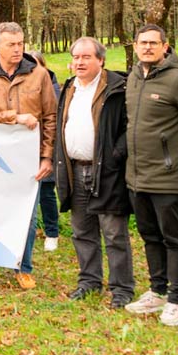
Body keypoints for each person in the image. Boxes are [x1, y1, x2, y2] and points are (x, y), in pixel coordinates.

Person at [122, 24, 178, 326]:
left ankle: (177, 300)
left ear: (165, 46)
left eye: (153, 43)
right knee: (149, 236)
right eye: (142, 42)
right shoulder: (133, 78)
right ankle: (157, 291)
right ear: (135, 46)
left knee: (174, 238)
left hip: (169, 175)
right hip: (138, 175)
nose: (147, 47)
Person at [0, 21, 57, 291]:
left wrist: (47, 156)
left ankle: (23, 267)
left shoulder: (39, 75)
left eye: (21, 44)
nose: (18, 49)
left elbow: (50, 117)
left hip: (27, 158)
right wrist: (14, 118)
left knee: (27, 216)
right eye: (11, 45)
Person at [53, 37, 133, 309]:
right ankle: (89, 281)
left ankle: (122, 288)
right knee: (82, 231)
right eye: (76, 57)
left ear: (101, 60)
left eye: (87, 57)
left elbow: (129, 126)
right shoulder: (69, 88)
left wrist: (115, 154)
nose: (80, 62)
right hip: (75, 169)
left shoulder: (117, 88)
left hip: (106, 171)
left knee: (113, 233)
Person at [27, 49, 62, 253]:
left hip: (44, 145)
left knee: (47, 192)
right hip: (22, 145)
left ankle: (52, 232)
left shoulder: (52, 86)